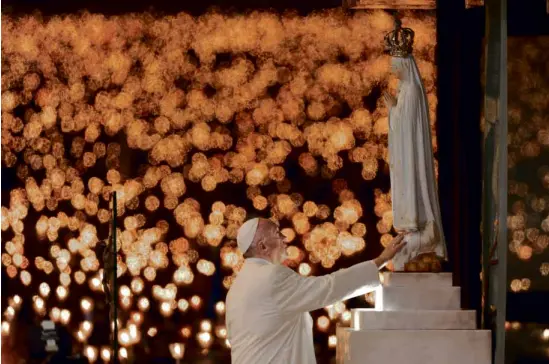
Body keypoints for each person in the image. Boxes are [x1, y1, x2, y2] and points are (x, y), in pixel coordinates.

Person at [226, 217, 406, 364]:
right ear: (263, 246)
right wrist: (380, 261)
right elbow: (328, 288)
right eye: (276, 233)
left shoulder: (236, 287)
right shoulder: (272, 276)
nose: (284, 238)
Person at [382, 19, 447, 271]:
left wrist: (393, 111)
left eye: (394, 65)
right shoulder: (406, 88)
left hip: (408, 154)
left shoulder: (409, 90)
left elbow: (406, 126)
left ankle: (416, 233)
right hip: (403, 153)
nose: (393, 69)